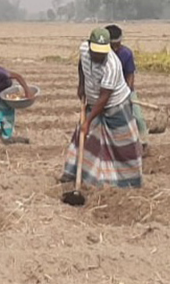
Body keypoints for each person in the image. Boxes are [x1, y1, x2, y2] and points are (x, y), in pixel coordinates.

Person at [61, 28, 142, 188]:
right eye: (96, 52)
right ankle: (79, 175)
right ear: (89, 46)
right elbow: (81, 65)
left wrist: (88, 121)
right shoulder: (84, 49)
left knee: (124, 143)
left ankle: (128, 182)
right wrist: (81, 85)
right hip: (92, 101)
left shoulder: (112, 65)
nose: (99, 56)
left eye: (102, 53)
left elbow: (104, 98)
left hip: (115, 105)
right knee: (86, 140)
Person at [105, 24, 149, 155]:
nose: (116, 48)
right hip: (106, 91)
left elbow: (130, 76)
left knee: (138, 117)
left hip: (125, 90)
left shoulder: (126, 54)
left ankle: (143, 143)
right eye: (113, 45)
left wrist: (127, 94)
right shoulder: (102, 55)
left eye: (118, 44)